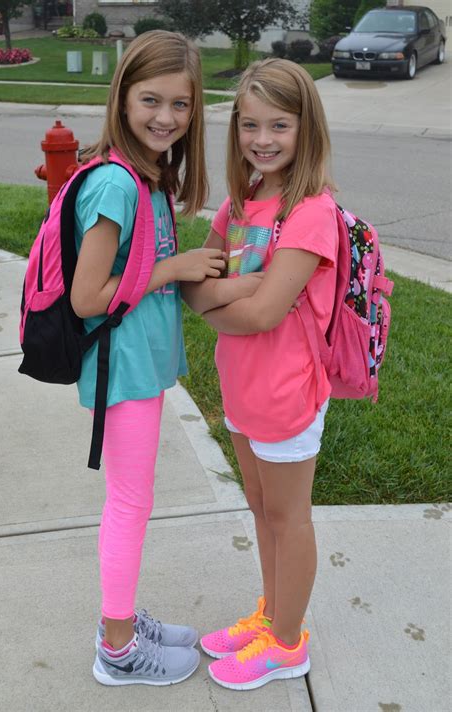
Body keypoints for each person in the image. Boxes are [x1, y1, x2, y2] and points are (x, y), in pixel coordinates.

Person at [70, 31, 261, 688]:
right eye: (150, 100)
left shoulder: (145, 175)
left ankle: (119, 622)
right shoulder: (117, 185)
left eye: (180, 105)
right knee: (129, 502)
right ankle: (118, 648)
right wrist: (170, 267)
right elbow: (87, 295)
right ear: (122, 97)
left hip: (138, 366)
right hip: (122, 371)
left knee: (131, 499)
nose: (165, 117)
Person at [183, 58, 339, 691]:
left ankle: (288, 643)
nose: (263, 138)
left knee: (288, 517)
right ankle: (271, 615)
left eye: (280, 124)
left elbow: (264, 312)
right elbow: (191, 291)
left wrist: (228, 295)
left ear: (307, 128)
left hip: (288, 393)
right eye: (250, 124)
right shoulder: (243, 202)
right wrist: (230, 295)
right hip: (243, 387)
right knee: (259, 506)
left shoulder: (310, 212)